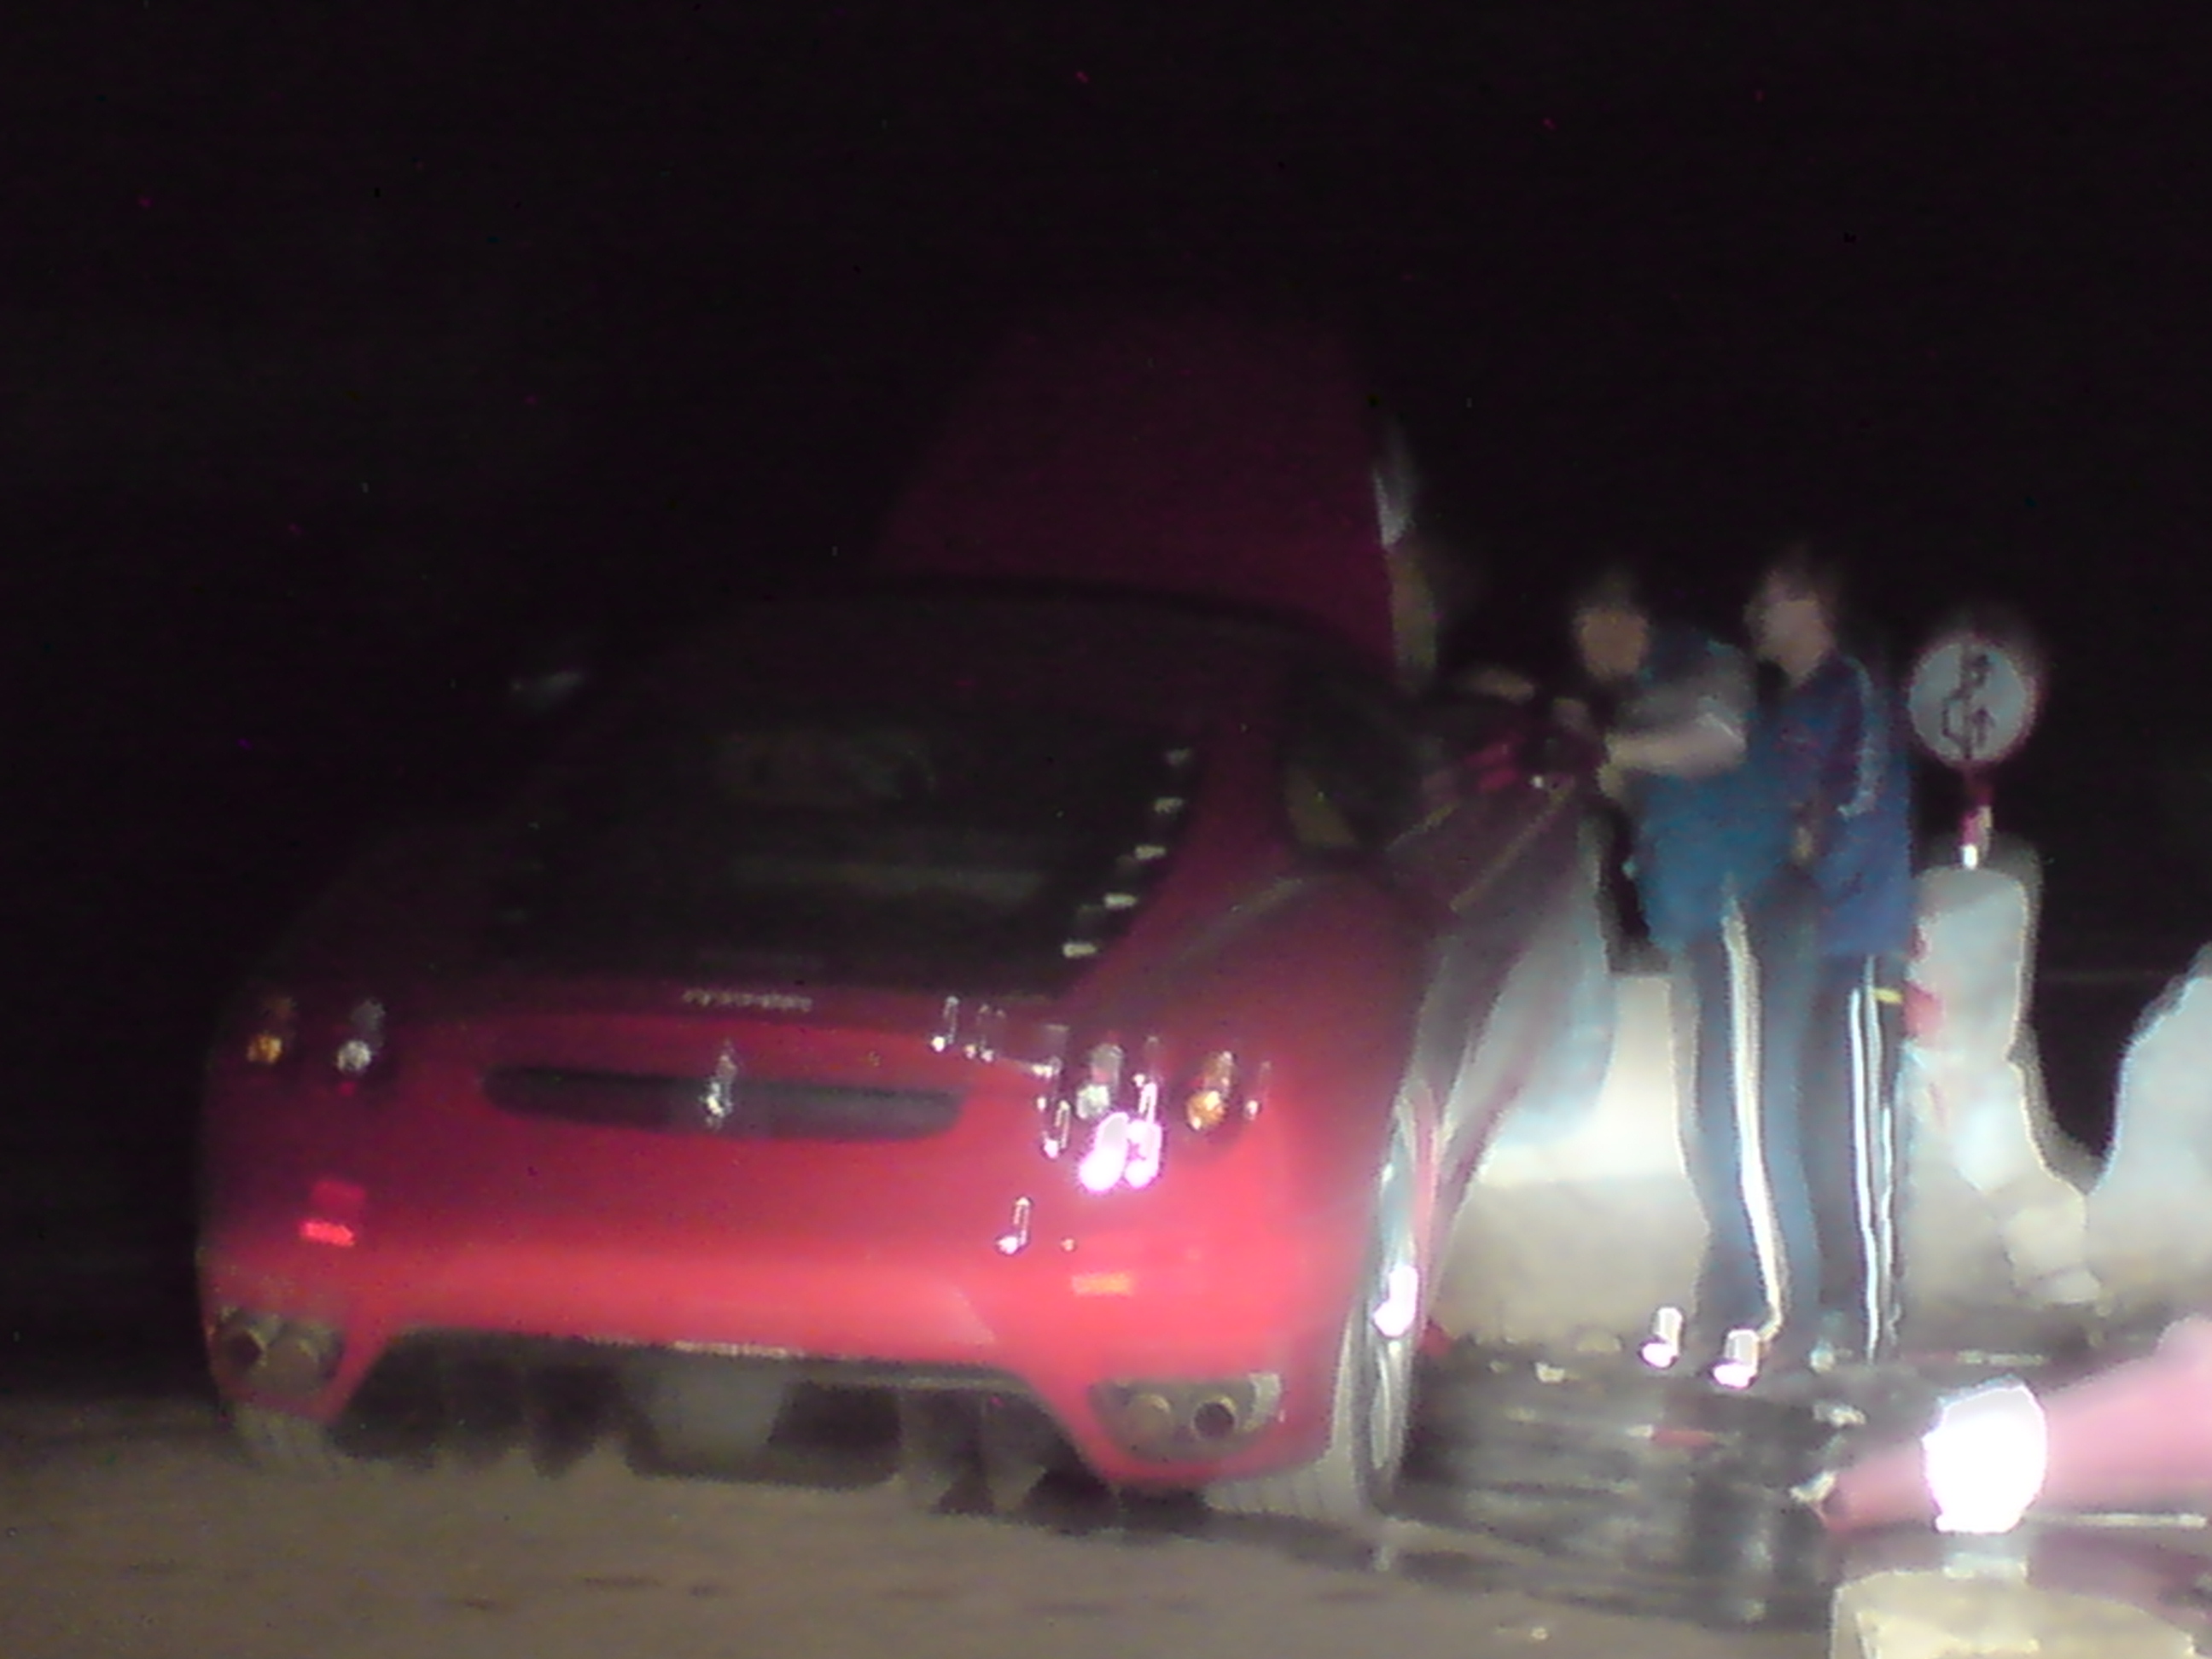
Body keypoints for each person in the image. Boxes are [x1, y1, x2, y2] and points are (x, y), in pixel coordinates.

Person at [1563, 566, 1796, 1383]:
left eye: (1596, 629)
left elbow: (1718, 738)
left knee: (1742, 1121)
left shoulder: (1699, 662)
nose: (1589, 652)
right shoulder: (1634, 700)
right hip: (1688, 926)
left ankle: (1776, 1314)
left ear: (1628, 615)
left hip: (1736, 913)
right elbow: (1638, 793)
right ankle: (1727, 1298)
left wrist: (1608, 749)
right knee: (1705, 1128)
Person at [1742, 540, 1916, 1373]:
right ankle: (1825, 1317)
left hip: (1854, 945)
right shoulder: (1790, 707)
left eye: (1770, 596)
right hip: (1801, 954)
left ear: (1814, 602)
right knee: (1810, 1138)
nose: (1755, 613)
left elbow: (1851, 808)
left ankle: (1872, 1326)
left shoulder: (1854, 691)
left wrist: (1809, 868)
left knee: (1853, 1142)